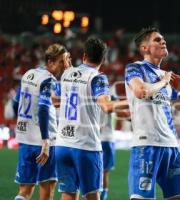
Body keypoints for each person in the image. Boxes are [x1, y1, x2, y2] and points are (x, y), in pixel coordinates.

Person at [55, 38, 127, 200]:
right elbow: (106, 106)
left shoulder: (66, 74)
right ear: (103, 59)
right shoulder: (98, 78)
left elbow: (54, 100)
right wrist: (133, 101)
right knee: (92, 195)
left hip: (62, 145)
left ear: (84, 55)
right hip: (85, 146)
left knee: (68, 194)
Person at [125, 27, 180, 200]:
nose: (163, 41)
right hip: (147, 145)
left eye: (163, 39)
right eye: (157, 40)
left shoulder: (167, 76)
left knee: (177, 197)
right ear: (144, 48)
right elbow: (141, 91)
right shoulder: (135, 68)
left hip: (171, 145)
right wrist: (163, 82)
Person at [13, 44, 69, 200]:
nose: (63, 67)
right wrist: (45, 141)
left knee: (24, 191)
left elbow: (15, 102)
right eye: (60, 62)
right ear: (50, 62)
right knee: (47, 191)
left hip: (25, 139)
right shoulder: (48, 80)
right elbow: (43, 109)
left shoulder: (28, 74)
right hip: (43, 141)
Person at [99, 93, 130, 200]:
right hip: (107, 139)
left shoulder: (93, 98)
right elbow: (127, 116)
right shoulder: (111, 99)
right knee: (104, 172)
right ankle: (102, 197)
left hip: (93, 140)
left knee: (92, 172)